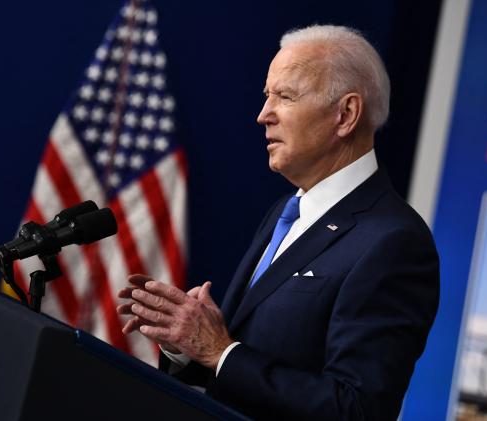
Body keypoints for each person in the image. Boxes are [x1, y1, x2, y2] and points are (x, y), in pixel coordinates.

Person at [117, 24, 439, 420]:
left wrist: (220, 351)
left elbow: (356, 409)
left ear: (346, 114)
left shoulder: (393, 242)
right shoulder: (285, 211)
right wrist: (188, 345)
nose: (262, 115)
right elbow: (236, 366)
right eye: (266, 96)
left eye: (284, 96)